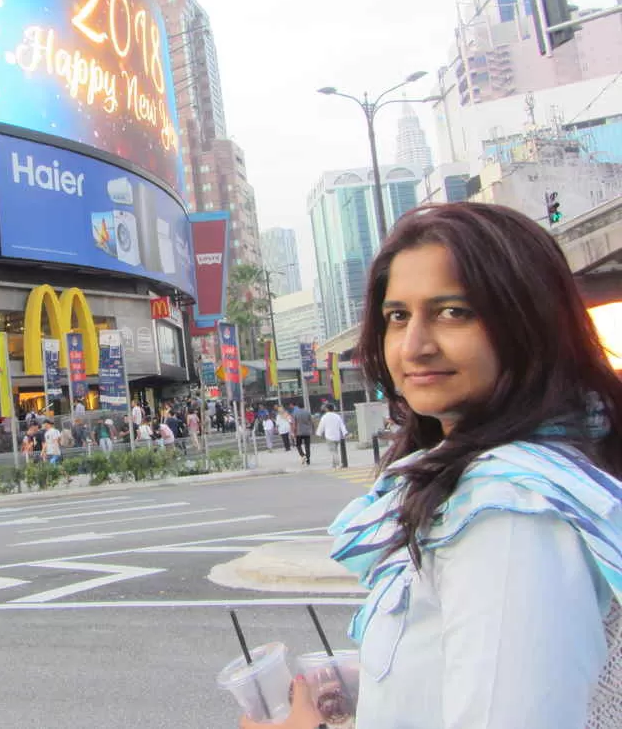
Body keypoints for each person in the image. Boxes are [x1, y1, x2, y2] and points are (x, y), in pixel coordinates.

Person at [245, 203, 622, 729]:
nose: (415, 346)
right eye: (398, 316)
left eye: (453, 312)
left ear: (527, 323)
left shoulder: (507, 511)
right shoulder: (486, 474)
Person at [315, 403, 348, 468]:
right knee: (335, 450)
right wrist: (345, 433)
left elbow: (321, 426)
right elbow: (342, 425)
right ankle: (334, 465)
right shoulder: (337, 416)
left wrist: (318, 433)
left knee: (333, 451)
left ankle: (338, 464)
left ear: (327, 409)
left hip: (329, 436)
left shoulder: (325, 417)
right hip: (337, 436)